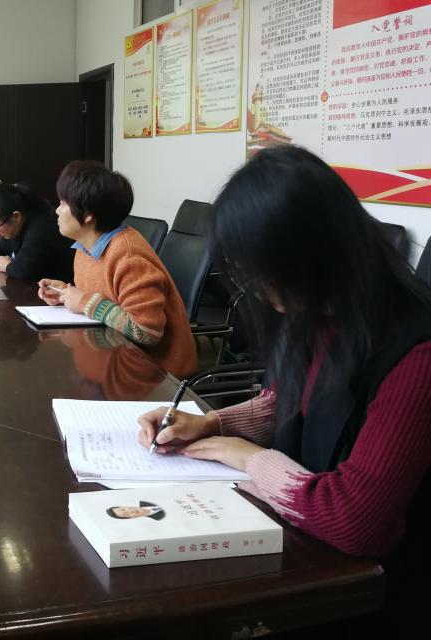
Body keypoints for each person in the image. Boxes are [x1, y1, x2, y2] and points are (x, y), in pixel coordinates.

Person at [136, 146, 431, 631]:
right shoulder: (315, 309)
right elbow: (295, 398)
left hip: (366, 588)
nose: (254, 287)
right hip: (303, 548)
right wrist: (212, 423)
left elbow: (356, 520)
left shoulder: (416, 353)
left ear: (313, 252)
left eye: (260, 269)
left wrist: (250, 459)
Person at [37, 161, 195, 377]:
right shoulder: (85, 247)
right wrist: (65, 293)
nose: (57, 210)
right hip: (113, 359)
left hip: (155, 375)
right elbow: (103, 297)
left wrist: (84, 302)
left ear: (88, 215)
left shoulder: (128, 256)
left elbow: (146, 333)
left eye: (63, 203)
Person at [0, 182, 74, 282]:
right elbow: (2, 247)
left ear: (16, 216)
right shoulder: (17, 225)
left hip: (64, 288)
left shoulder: (39, 230)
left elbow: (24, 271)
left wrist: (5, 266)